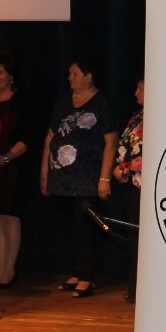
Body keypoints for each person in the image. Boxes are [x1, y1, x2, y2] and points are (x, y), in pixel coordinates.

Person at [40, 54, 117, 298]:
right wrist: (44, 174)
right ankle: (74, 272)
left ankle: (87, 276)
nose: (69, 78)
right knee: (68, 226)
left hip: (87, 177)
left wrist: (104, 178)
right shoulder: (63, 101)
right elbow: (50, 138)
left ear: (88, 76)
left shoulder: (101, 102)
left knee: (84, 226)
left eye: (74, 74)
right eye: (69, 74)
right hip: (61, 177)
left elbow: (111, 141)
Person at [0, 50, 28, 286]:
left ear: (11, 75)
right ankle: (0, 268)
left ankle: (9, 269)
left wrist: (6, 158)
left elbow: (27, 137)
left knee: (11, 217)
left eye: (0, 72)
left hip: (13, 166)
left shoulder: (21, 100)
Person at [112, 77, 144, 303]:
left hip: (142, 186)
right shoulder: (137, 116)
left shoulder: (160, 117)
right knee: (134, 238)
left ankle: (140, 290)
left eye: (140, 88)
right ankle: (133, 287)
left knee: (141, 240)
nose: (135, 93)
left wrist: (124, 168)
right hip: (129, 186)